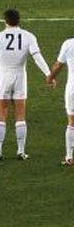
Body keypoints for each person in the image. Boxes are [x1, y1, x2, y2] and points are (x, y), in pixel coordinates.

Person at [0, 9, 52, 162]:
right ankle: (21, 152)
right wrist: (48, 74)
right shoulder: (29, 36)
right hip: (20, 78)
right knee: (20, 116)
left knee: (0, 116)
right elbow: (37, 57)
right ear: (19, 21)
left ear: (5, 21)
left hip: (3, 79)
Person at [46, 36, 74, 165]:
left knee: (72, 122)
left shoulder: (69, 43)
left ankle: (69, 156)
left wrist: (50, 77)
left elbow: (58, 65)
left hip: (73, 89)